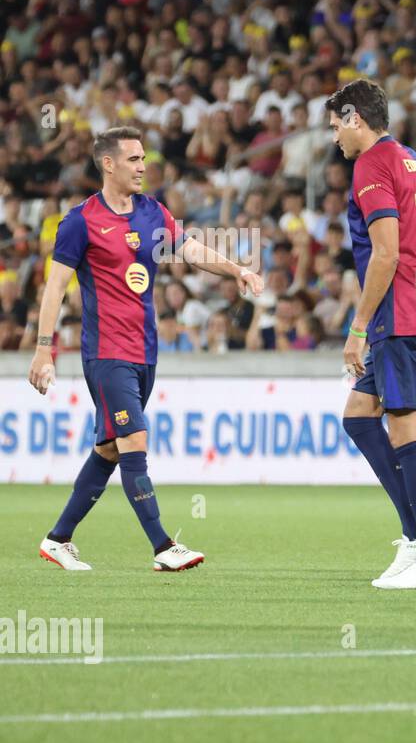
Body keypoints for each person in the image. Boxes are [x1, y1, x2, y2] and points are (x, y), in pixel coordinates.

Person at [30, 126, 263, 572]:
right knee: (134, 440)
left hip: (145, 353)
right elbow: (55, 286)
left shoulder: (152, 213)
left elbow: (190, 249)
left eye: (144, 158)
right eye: (134, 159)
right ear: (109, 164)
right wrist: (44, 350)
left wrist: (237, 270)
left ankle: (58, 539)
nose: (143, 166)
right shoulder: (80, 221)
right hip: (107, 354)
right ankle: (162, 546)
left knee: (111, 449)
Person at [330, 79, 416, 591]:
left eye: (337, 123)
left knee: (406, 427)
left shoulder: (372, 164)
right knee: (359, 416)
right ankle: (414, 534)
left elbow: (387, 252)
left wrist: (357, 329)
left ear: (356, 117)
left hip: (398, 312)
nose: (334, 135)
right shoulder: (415, 162)